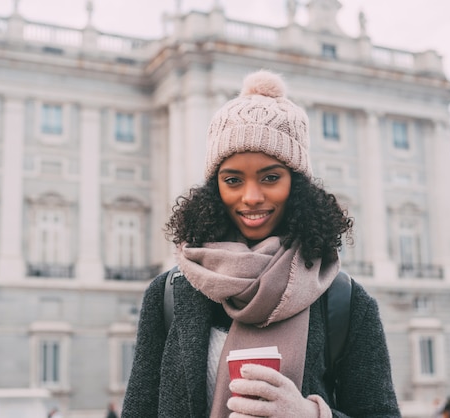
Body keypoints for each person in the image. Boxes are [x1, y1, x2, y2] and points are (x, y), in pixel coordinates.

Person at [121, 70, 400, 417]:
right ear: (215, 189)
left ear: (296, 185)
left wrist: (311, 415)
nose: (251, 197)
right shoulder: (169, 294)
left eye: (270, 177)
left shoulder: (345, 301)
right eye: (233, 180)